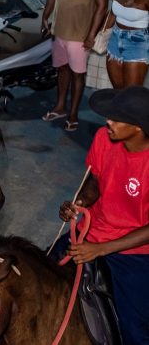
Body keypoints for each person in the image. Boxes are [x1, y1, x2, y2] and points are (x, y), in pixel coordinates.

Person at [58, 86, 149, 345]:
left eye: (117, 118)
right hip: (91, 231)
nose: (108, 121)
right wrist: (81, 201)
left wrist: (101, 249)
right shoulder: (103, 137)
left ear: (139, 127)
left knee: (135, 330)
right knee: (39, 277)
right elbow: (96, 178)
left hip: (133, 250)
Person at [41, 0, 108, 132]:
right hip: (59, 31)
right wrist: (45, 16)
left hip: (79, 36)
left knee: (77, 75)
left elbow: (102, 7)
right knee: (61, 70)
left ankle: (73, 114)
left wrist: (91, 35)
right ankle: (60, 107)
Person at [106, 0, 149, 89]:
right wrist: (96, 36)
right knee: (118, 89)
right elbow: (112, 14)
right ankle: (116, 111)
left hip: (138, 43)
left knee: (131, 93)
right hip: (115, 39)